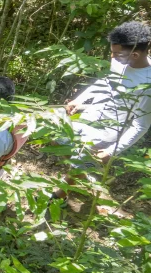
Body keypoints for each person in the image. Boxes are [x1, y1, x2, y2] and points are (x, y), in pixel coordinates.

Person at [53, 21, 151, 200]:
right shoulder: (119, 62)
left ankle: (60, 196)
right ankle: (84, 173)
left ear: (135, 54)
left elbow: (140, 125)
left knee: (78, 165)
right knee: (56, 139)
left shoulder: (148, 85)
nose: (112, 57)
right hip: (87, 118)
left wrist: (113, 150)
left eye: (116, 53)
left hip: (105, 132)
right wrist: (80, 100)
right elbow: (106, 81)